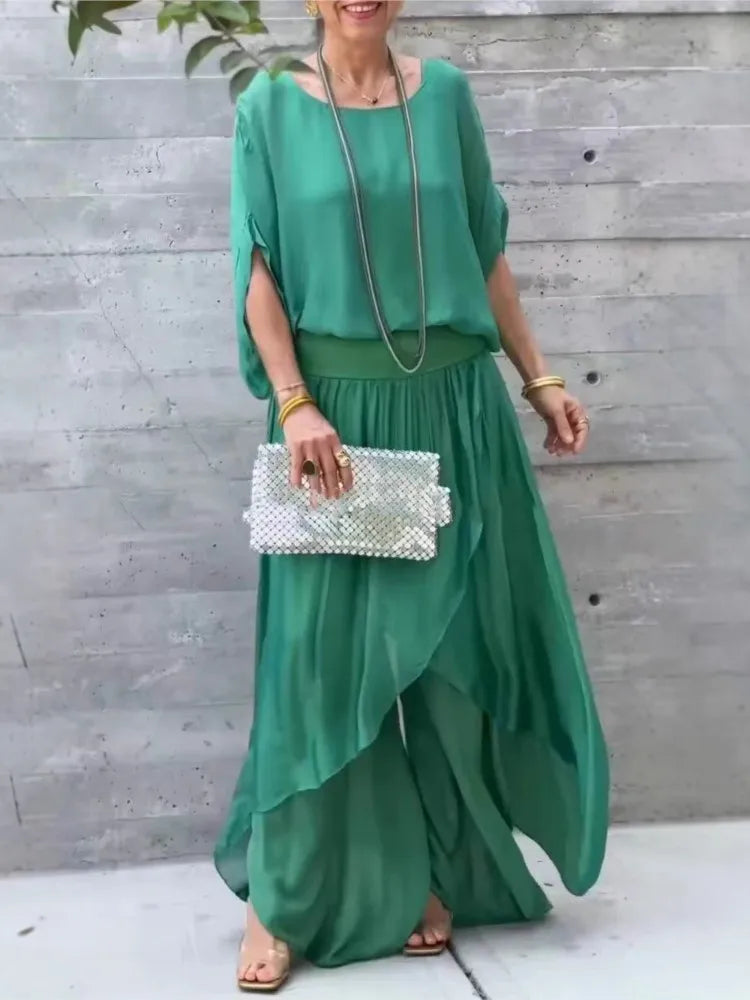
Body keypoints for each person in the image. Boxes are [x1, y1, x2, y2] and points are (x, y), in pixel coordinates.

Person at [214, 0, 609, 991]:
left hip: (455, 407)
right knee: (317, 663)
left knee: (447, 660)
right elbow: (256, 269)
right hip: (334, 418)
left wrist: (539, 377)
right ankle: (280, 897)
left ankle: (426, 870)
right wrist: (294, 402)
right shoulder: (269, 106)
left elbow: (485, 250)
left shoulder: (447, 97)